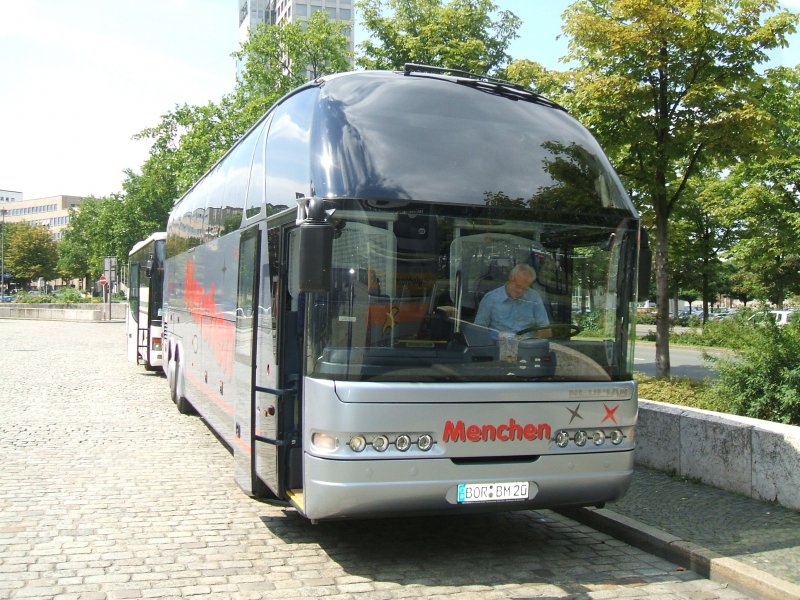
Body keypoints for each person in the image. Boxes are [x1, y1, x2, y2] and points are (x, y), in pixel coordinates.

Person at [473, 263, 550, 337]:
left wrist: (534, 341)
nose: (520, 291)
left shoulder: (534, 297)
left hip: (527, 344)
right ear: (510, 277)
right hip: (499, 343)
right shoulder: (491, 299)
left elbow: (546, 330)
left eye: (525, 288)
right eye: (518, 286)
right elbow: (478, 330)